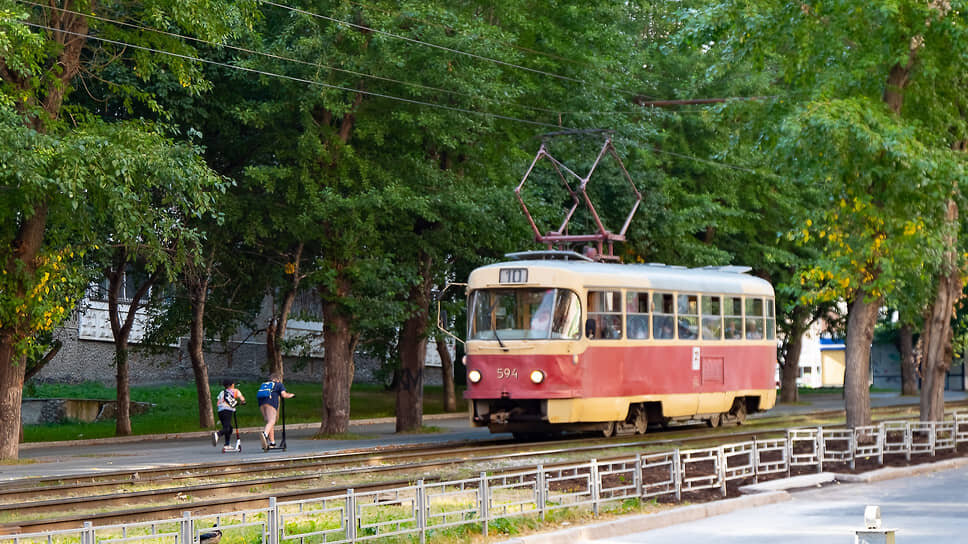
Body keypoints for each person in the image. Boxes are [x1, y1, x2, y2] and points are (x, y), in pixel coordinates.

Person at [257, 373, 294, 449]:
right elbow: (284, 395)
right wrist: (291, 395)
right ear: (277, 379)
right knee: (272, 421)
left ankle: (272, 443)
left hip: (261, 403)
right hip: (271, 403)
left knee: (269, 422)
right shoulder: (278, 384)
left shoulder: (264, 384)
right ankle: (265, 434)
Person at [212, 378, 245, 448]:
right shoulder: (235, 391)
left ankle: (227, 444)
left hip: (220, 411)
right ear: (232, 384)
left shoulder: (222, 392)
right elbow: (242, 399)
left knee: (229, 428)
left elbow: (218, 402)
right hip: (227, 410)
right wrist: (242, 402)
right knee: (227, 428)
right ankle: (218, 434)